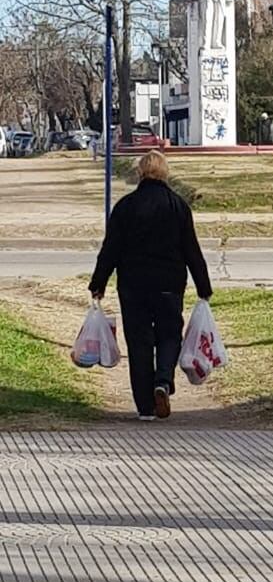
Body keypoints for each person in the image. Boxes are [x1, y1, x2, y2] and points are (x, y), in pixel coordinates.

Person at [89, 150, 212, 421]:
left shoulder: (125, 206)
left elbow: (111, 249)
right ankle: (163, 381)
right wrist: (204, 287)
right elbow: (192, 250)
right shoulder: (178, 206)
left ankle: (145, 406)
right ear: (165, 172)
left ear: (140, 172)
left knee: (139, 340)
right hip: (169, 284)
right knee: (169, 334)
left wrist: (98, 283)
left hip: (133, 285)